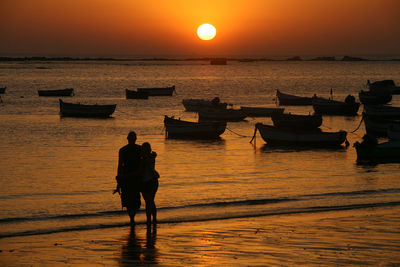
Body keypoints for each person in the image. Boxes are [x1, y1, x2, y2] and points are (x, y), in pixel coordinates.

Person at [115, 131, 142, 225]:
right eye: (132, 138)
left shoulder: (124, 150)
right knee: (131, 200)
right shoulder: (136, 149)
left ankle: (132, 219)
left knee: (131, 200)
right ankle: (132, 219)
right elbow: (120, 165)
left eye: (132, 138)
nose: (131, 140)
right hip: (130, 178)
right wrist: (119, 179)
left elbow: (119, 165)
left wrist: (119, 179)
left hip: (131, 177)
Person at [138, 142, 159, 225]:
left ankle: (151, 220)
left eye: (146, 149)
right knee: (149, 202)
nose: (145, 151)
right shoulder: (146, 157)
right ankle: (151, 220)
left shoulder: (150, 157)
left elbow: (147, 162)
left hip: (152, 181)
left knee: (150, 201)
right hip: (144, 182)